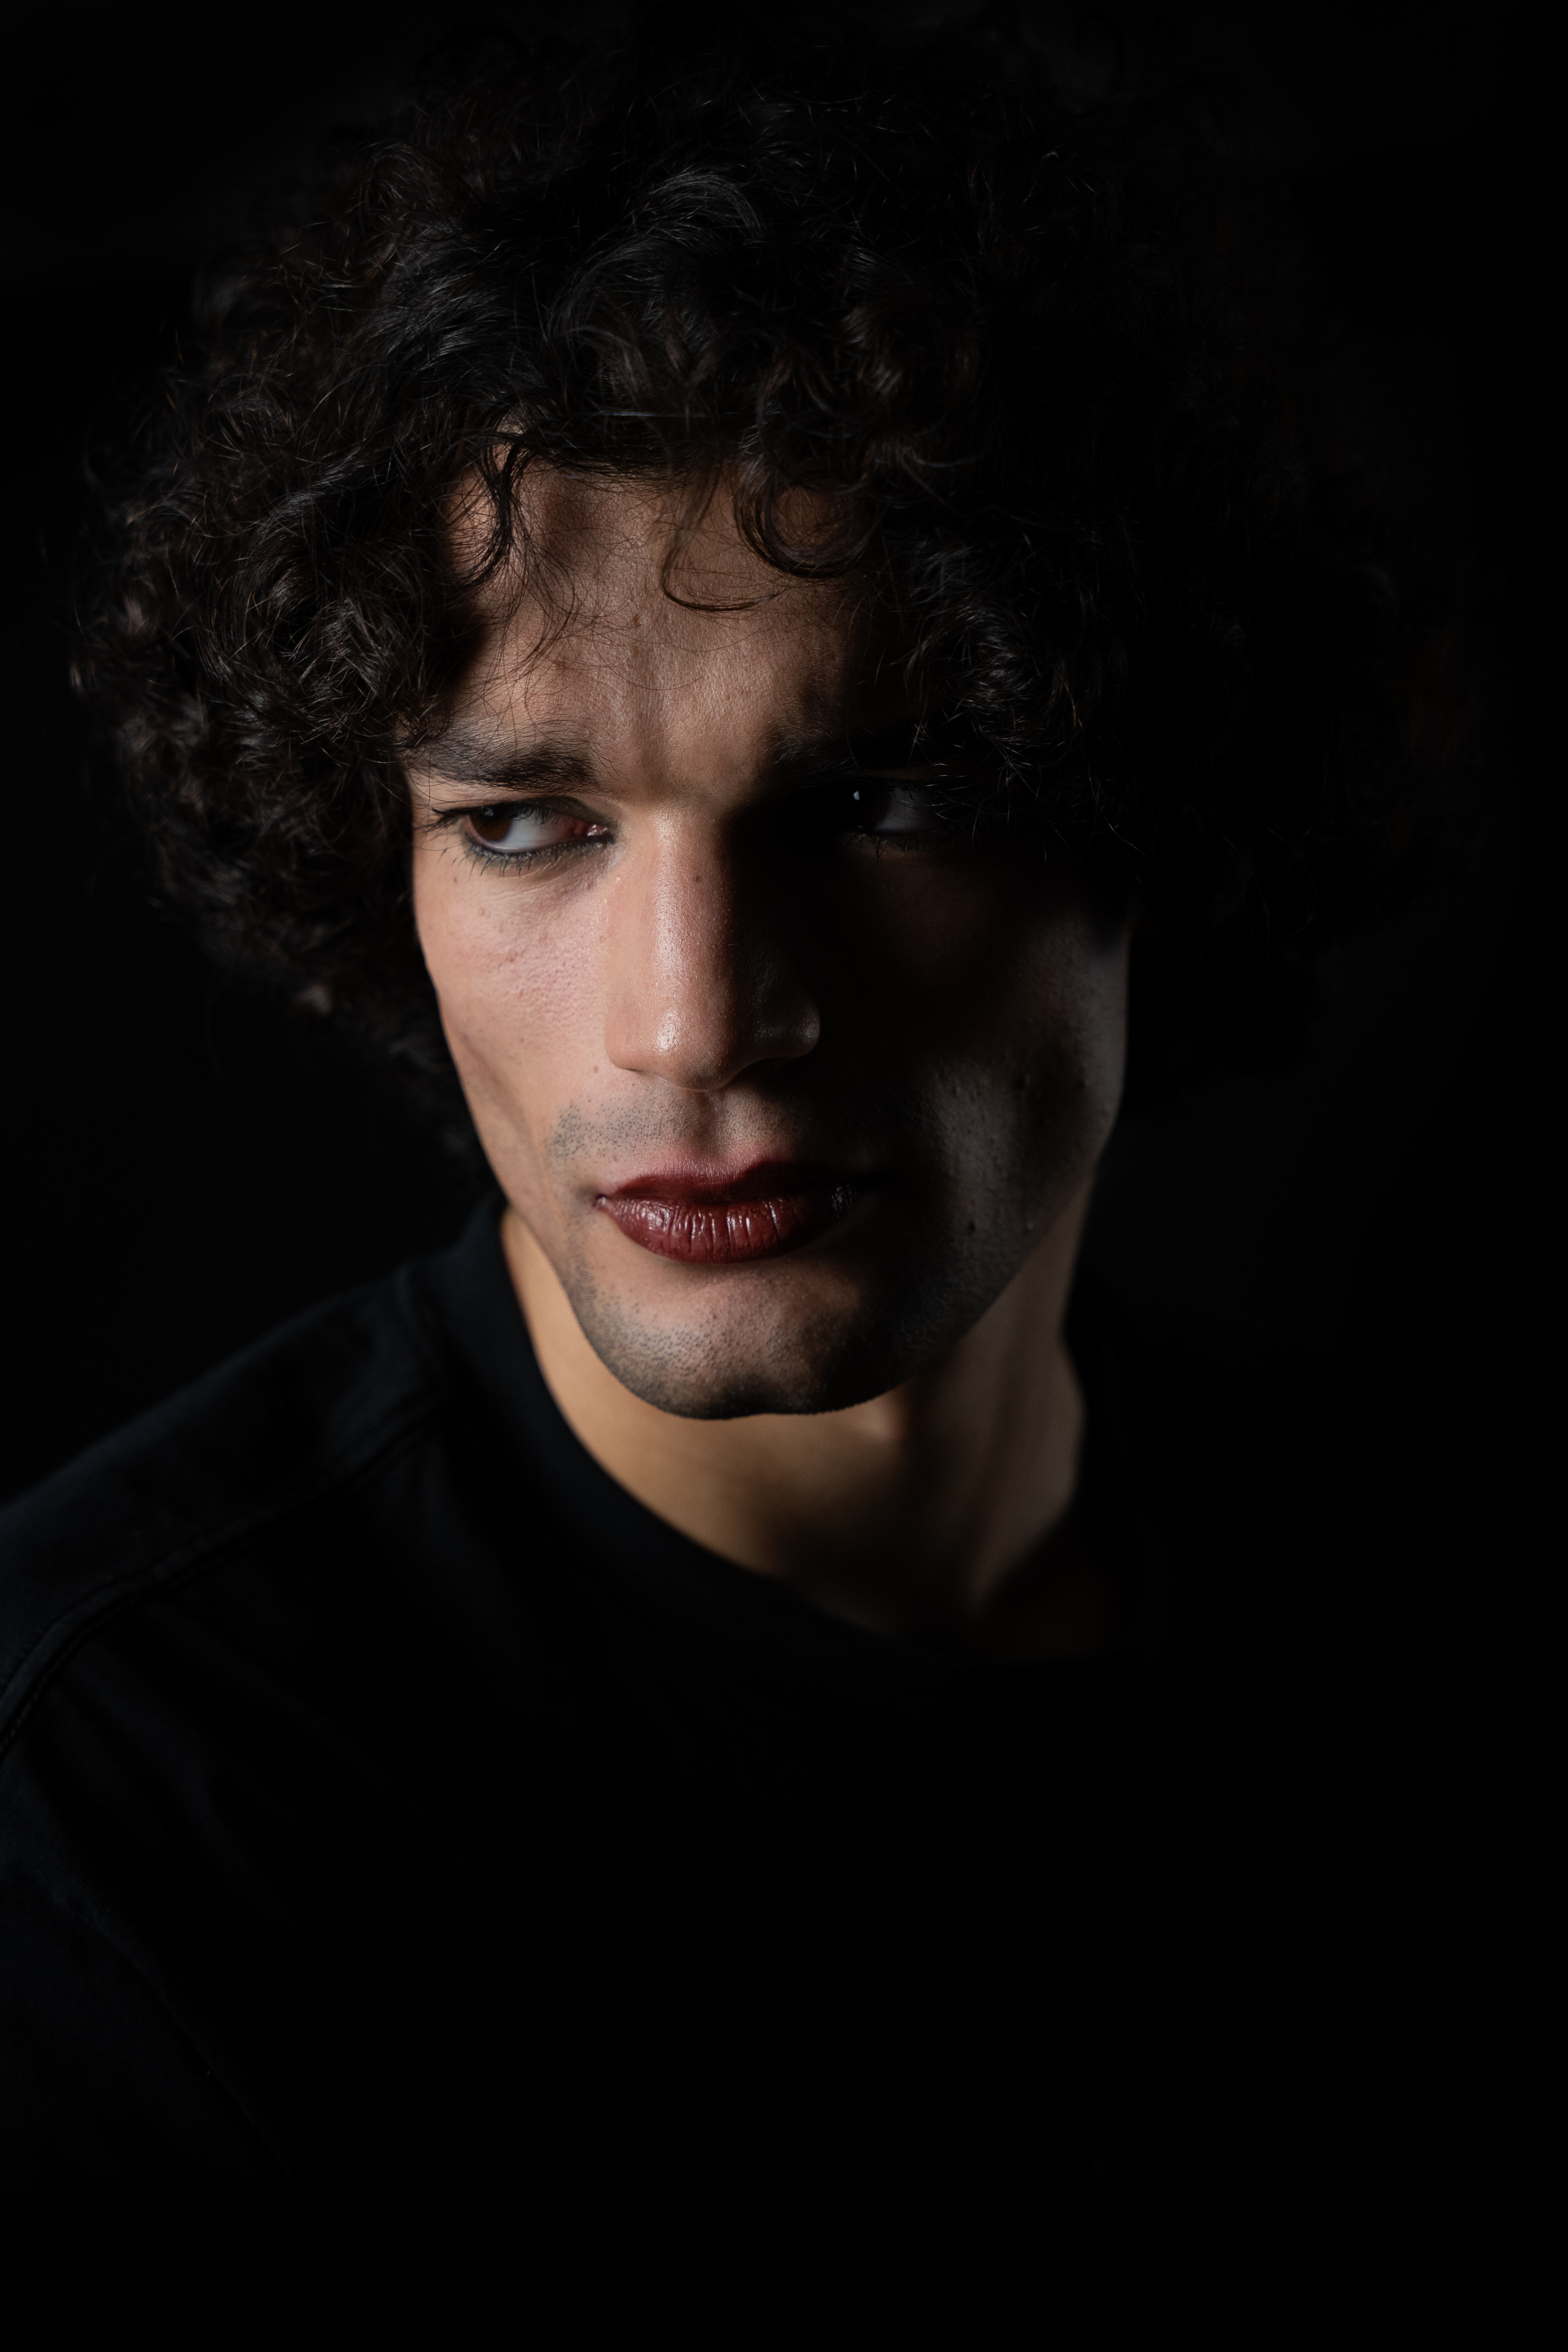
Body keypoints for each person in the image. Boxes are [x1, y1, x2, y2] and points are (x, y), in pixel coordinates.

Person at [0, 8, 1443, 2310]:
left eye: (884, 801)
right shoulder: (109, 1811)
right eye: (527, 823)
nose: (695, 1022)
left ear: (1159, 818)